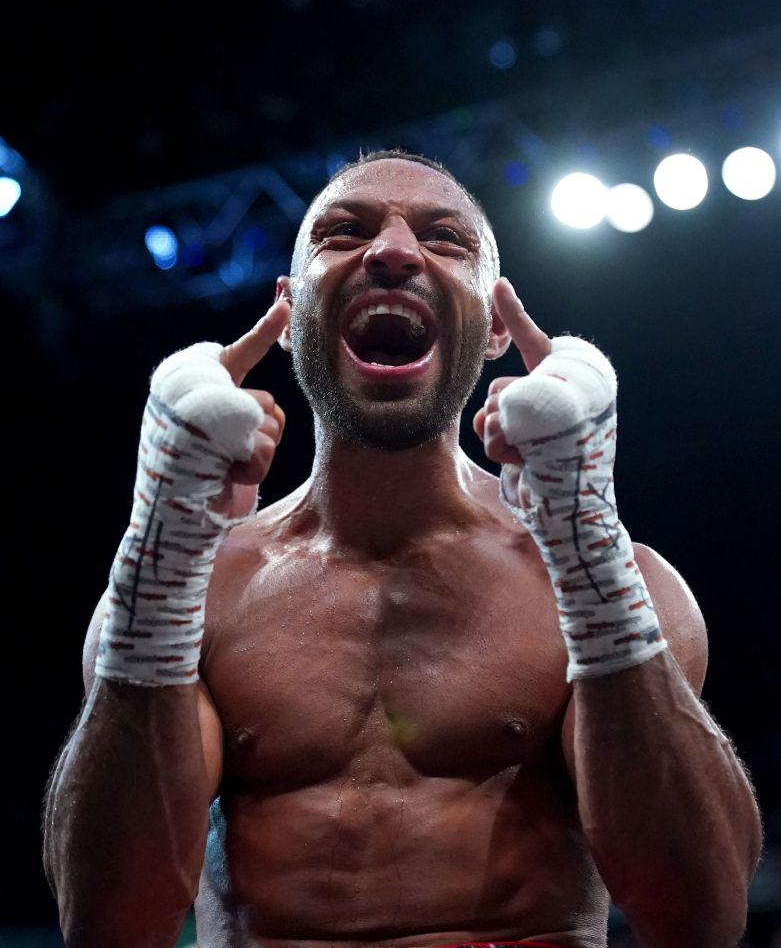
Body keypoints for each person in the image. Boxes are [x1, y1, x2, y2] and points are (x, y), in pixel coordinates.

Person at [43, 149, 762, 948]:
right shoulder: (187, 587)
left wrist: (587, 547)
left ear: (495, 327)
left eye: (444, 237)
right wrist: (164, 541)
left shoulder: (617, 580)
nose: (391, 251)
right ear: (288, 312)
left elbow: (698, 919)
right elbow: (111, 927)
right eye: (343, 231)